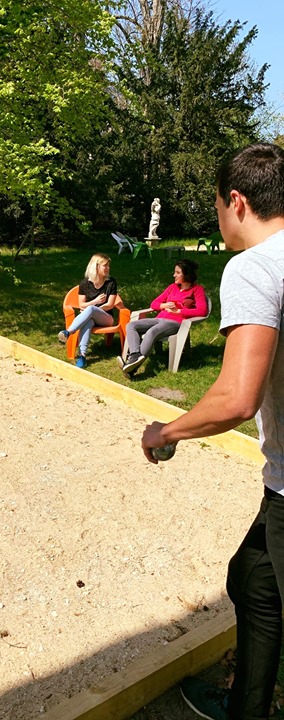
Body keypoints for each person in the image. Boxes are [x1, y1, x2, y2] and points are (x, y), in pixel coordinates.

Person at [142, 143, 284, 720]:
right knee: (252, 582)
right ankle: (245, 707)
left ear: (237, 201)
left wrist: (165, 431)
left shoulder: (254, 266)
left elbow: (235, 398)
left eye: (218, 209)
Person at [117, 258, 207, 378]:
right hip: (159, 318)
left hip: (175, 322)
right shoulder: (172, 287)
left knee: (152, 332)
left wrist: (179, 311)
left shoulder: (197, 289)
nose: (174, 275)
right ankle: (134, 356)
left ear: (187, 273)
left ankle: (131, 368)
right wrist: (164, 305)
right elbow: (154, 304)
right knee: (131, 325)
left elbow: (203, 310)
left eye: (178, 272)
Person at [58, 253, 117, 368]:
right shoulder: (85, 283)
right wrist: (94, 302)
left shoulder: (111, 282)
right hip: (91, 317)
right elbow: (81, 304)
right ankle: (82, 356)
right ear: (96, 267)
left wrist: (93, 309)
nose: (108, 268)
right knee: (88, 322)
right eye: (105, 266)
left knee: (90, 310)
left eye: (108, 265)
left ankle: (68, 332)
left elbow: (110, 305)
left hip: (106, 318)